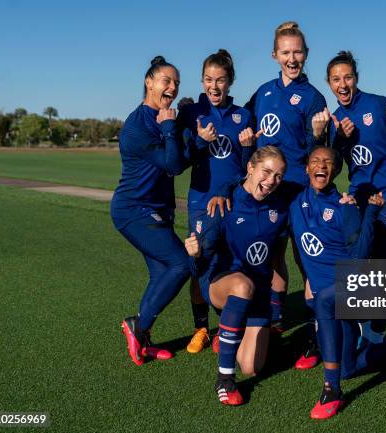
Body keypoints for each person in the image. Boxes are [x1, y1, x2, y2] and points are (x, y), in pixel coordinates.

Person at [289, 146, 386, 419]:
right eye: (315, 161)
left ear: (336, 170)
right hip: (332, 299)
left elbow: (360, 257)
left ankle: (331, 390)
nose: (321, 166)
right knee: (347, 368)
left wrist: (370, 212)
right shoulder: (294, 203)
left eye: (328, 162)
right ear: (307, 169)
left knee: (324, 299)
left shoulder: (344, 206)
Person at [184, 146, 288, 406]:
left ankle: (233, 329)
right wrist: (194, 255)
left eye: (278, 175)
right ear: (250, 168)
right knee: (242, 286)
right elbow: (197, 270)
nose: (272, 180)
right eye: (266, 171)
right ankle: (225, 379)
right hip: (223, 283)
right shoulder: (223, 204)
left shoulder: (282, 206)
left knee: (251, 367)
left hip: (260, 293)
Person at [245, 21, 327, 332]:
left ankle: (314, 327)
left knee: (306, 259)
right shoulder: (263, 92)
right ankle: (277, 319)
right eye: (285, 53)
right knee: (273, 254)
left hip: (300, 192)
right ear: (274, 55)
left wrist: (319, 135)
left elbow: (320, 157)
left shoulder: (313, 98)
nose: (292, 59)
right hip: (268, 191)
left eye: (297, 52)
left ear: (306, 54)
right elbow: (242, 124)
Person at [176, 49, 257, 354]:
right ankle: (200, 328)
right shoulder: (191, 113)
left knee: (228, 262)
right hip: (200, 200)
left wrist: (248, 148)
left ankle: (226, 325)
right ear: (201, 81)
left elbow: (246, 167)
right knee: (198, 262)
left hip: (232, 203)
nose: (214, 86)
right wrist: (200, 140)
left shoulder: (243, 116)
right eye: (209, 79)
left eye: (220, 80)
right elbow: (181, 160)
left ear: (230, 82)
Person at [111, 56, 189, 366]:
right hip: (133, 209)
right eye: (166, 80)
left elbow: (181, 159)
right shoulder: (136, 126)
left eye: (176, 83)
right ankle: (137, 328)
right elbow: (172, 164)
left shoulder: (163, 118)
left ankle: (142, 340)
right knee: (182, 264)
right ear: (149, 82)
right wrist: (171, 126)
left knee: (161, 274)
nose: (172, 87)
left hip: (158, 209)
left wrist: (181, 126)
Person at [327, 50, 386, 259]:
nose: (342, 85)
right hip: (359, 198)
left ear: (356, 79)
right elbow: (333, 168)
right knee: (358, 259)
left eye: (348, 77)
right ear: (329, 84)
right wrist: (340, 139)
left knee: (377, 263)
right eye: (336, 79)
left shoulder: (379, 105)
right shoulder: (335, 121)